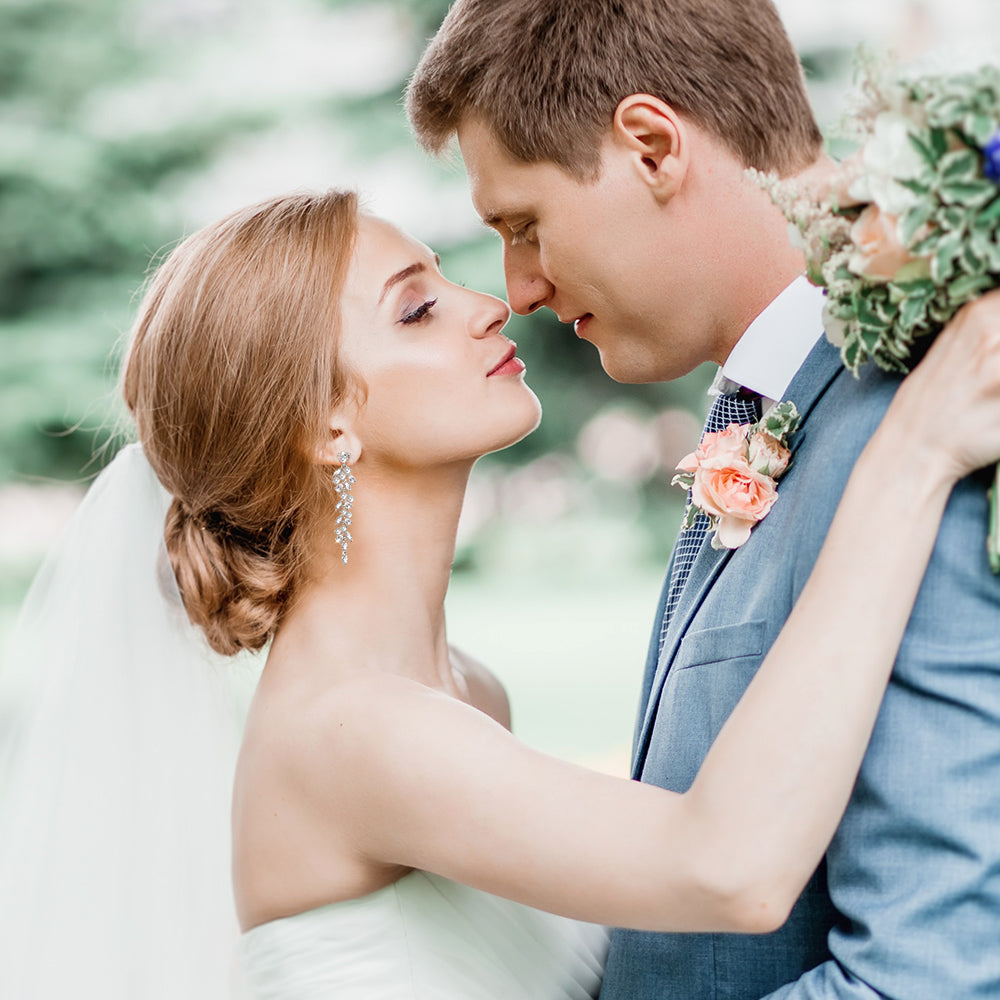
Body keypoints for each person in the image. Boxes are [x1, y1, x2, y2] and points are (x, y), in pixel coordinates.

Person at [1, 187, 999, 1000]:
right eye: (417, 308)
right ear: (327, 427)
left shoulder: (461, 691)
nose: (489, 303)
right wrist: (910, 454)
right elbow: (726, 868)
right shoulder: (352, 730)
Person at [405, 2, 1000, 998]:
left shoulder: (935, 418)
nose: (517, 288)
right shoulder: (783, 405)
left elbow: (926, 977)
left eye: (524, 224)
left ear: (650, 147)